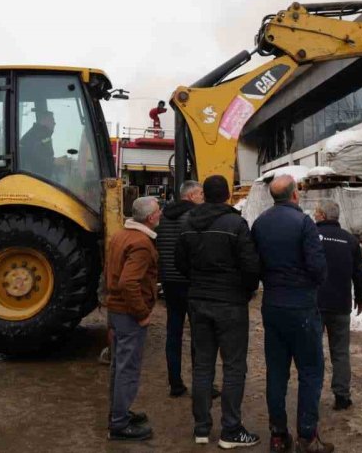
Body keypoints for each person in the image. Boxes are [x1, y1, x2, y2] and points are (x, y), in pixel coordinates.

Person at [176, 175, 261, 448]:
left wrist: (198, 281)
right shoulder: (236, 224)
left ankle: (201, 428)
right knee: (234, 366)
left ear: (205, 195)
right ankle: (231, 430)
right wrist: (246, 291)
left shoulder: (188, 224)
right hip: (230, 304)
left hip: (199, 301)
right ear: (226, 195)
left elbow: (180, 262)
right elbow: (250, 266)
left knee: (202, 366)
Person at [251, 175, 333, 453]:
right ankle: (307, 437)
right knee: (310, 371)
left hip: (273, 306)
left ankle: (278, 435)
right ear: (295, 195)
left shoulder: (261, 223)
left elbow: (255, 264)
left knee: (276, 372)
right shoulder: (304, 223)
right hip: (302, 307)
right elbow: (318, 267)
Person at [105, 196, 162, 442]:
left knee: (118, 366)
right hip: (129, 314)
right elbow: (128, 282)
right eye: (158, 211)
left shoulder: (120, 235)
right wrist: (142, 314)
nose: (160, 214)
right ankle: (119, 425)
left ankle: (119, 413)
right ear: (150, 218)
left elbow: (110, 273)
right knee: (128, 368)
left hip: (116, 310)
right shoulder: (141, 243)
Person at [313, 200, 362, 411]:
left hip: (315, 304)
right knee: (341, 353)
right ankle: (342, 396)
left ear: (323, 216)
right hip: (341, 304)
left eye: (317, 212)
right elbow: (359, 273)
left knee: (313, 351)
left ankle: (313, 394)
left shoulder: (311, 237)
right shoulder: (350, 240)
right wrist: (360, 299)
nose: (314, 215)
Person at [155, 179, 204, 397]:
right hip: (190, 281)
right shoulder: (194, 217)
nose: (203, 197)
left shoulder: (163, 216)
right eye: (201, 194)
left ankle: (175, 383)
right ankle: (201, 383)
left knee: (173, 333)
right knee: (199, 334)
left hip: (169, 282)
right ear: (191, 196)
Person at [20, 110, 55, 177]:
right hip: (33, 178)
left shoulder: (41, 135)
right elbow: (35, 157)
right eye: (52, 120)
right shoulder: (36, 136)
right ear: (44, 121)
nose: (54, 123)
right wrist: (54, 162)